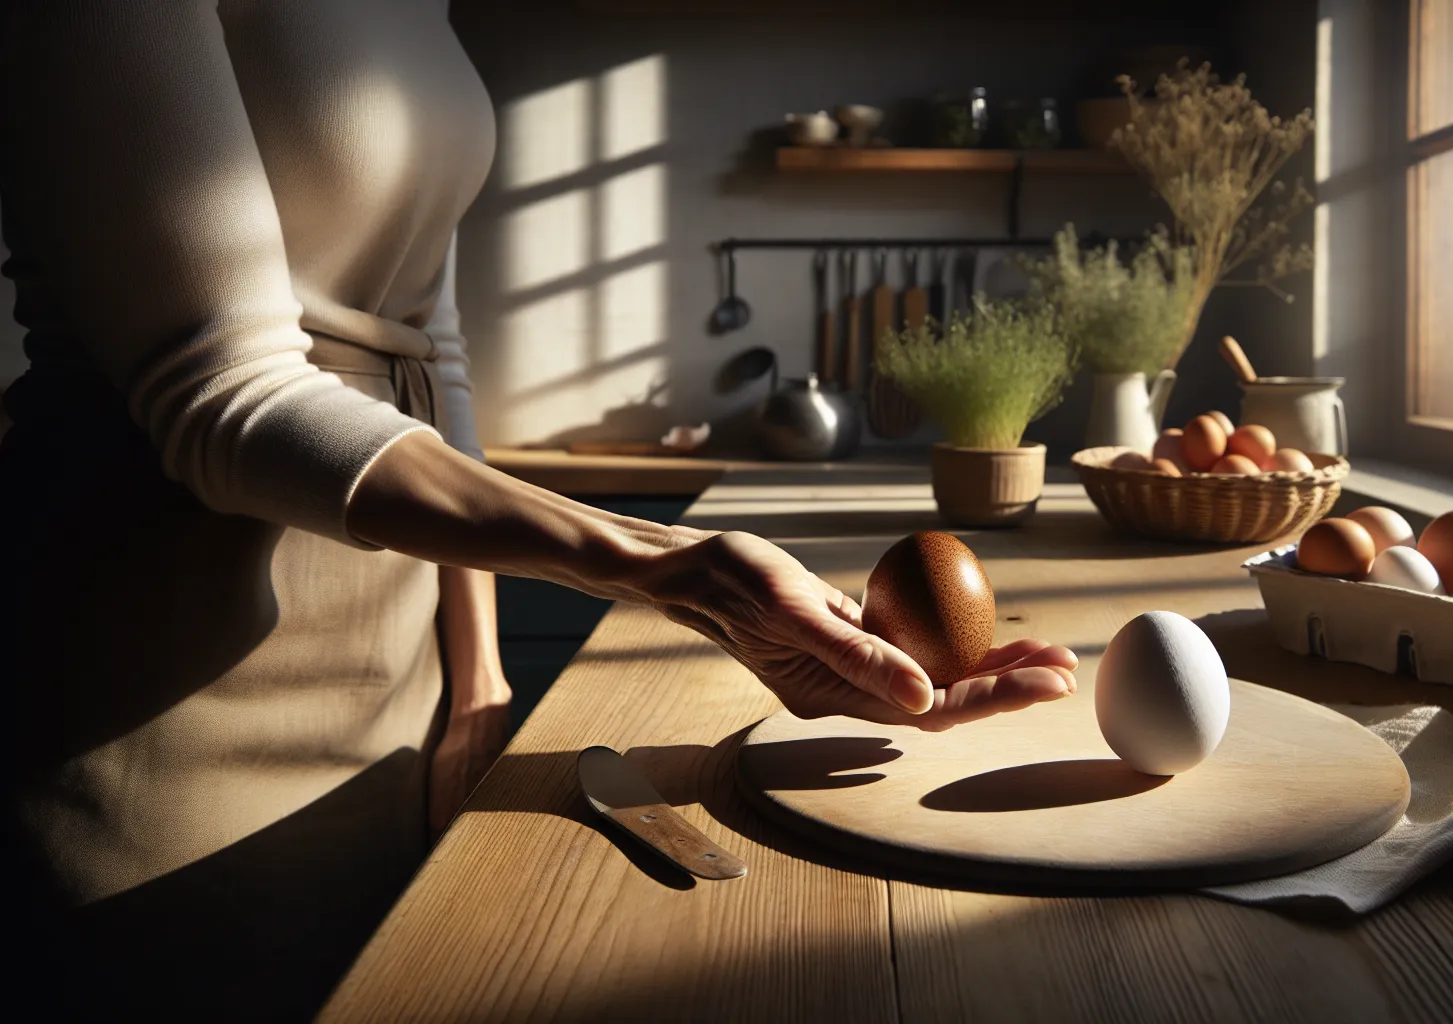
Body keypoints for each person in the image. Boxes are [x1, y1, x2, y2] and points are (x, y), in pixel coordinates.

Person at [0, 2, 1076, 1018]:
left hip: (393, 658)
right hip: (158, 661)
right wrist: (675, 563)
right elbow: (225, 397)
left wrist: (474, 666)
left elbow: (427, 349)